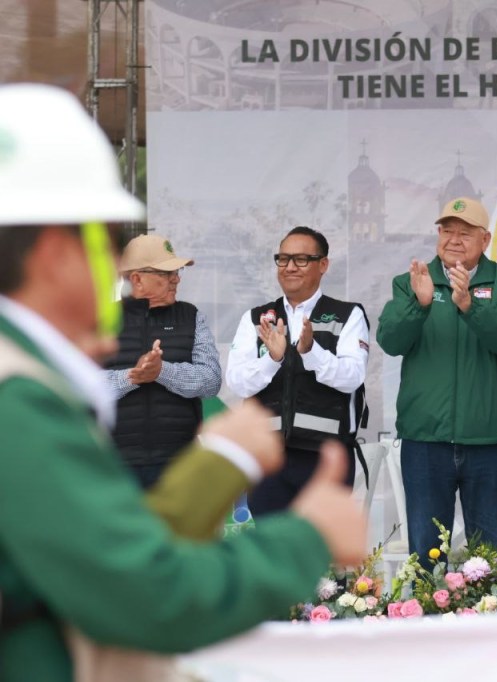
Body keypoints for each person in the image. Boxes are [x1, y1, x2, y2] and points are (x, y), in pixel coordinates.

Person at [0, 83, 366, 681]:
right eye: (104, 243)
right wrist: (307, 539)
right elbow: (145, 593)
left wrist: (218, 462)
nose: (118, 272)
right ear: (52, 254)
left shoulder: (24, 382)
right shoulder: (18, 401)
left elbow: (112, 552)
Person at [378, 197, 497, 565]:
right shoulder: (411, 282)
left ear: (485, 239)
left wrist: (470, 306)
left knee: (488, 560)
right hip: (425, 440)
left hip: (488, 439)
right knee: (426, 558)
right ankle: (428, 605)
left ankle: (486, 606)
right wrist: (419, 304)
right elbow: (390, 341)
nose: (454, 240)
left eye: (465, 233)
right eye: (447, 231)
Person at [226, 226, 369, 515]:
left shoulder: (347, 314)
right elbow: (237, 382)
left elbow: (352, 377)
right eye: (283, 259)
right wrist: (273, 359)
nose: (290, 267)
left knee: (320, 542)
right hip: (267, 459)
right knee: (269, 541)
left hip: (326, 457)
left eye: (301, 259)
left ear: (323, 264)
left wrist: (311, 351)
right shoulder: (255, 318)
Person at [105, 233, 221, 488]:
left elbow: (211, 380)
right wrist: (132, 376)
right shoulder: (103, 320)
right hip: (114, 464)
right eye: (167, 273)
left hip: (180, 463)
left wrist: (161, 371)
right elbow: (79, 386)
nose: (176, 279)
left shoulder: (191, 316)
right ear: (137, 279)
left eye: (176, 272)